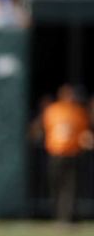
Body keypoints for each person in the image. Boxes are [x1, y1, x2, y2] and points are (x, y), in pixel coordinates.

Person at [41, 84, 93, 222]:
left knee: (70, 187)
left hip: (72, 153)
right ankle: (57, 215)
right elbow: (43, 129)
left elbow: (84, 133)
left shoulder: (78, 112)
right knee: (55, 185)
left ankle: (66, 217)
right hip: (56, 153)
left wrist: (85, 140)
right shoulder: (53, 110)